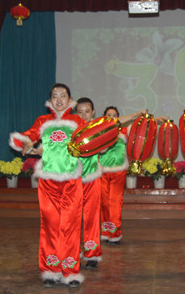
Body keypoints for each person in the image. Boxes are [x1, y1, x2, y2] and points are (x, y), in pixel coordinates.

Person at [9, 83, 85, 288]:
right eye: (55, 96)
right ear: (50, 100)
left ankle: (70, 271)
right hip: (48, 183)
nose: (59, 99)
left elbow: (89, 142)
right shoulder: (42, 121)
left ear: (70, 100)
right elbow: (31, 136)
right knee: (50, 225)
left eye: (63, 95)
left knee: (70, 225)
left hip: (71, 182)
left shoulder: (78, 121)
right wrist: (26, 144)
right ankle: (51, 269)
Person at [99, 106, 145, 245]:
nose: (112, 118)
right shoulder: (99, 131)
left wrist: (148, 118)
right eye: (109, 115)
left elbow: (140, 127)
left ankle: (115, 233)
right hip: (102, 173)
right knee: (104, 203)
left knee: (115, 202)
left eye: (114, 115)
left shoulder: (124, 131)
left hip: (118, 173)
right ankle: (105, 232)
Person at [74, 97, 103, 270]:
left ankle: (92, 254)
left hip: (92, 179)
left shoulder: (98, 130)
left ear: (93, 112)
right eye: (80, 112)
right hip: (73, 181)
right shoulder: (70, 131)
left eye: (87, 111)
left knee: (91, 218)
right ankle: (72, 252)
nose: (84, 115)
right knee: (72, 219)